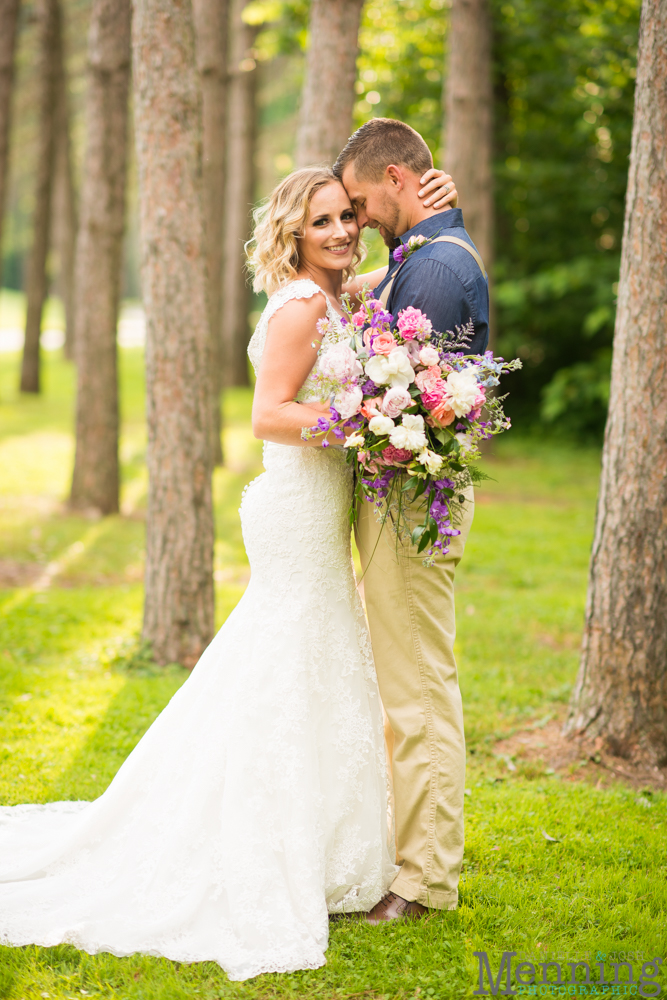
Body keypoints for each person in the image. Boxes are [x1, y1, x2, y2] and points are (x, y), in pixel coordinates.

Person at [0, 164, 457, 980]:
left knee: (307, 662)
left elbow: (389, 271)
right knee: (286, 661)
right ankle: (253, 843)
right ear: (291, 233)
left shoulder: (331, 294)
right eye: (320, 222)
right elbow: (266, 415)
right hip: (296, 508)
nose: (341, 231)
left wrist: (428, 217)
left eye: (347, 216)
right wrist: (366, 422)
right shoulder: (303, 305)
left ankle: (317, 842)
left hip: (314, 507)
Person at [333, 118, 490, 923]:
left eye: (359, 203)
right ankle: (409, 854)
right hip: (399, 498)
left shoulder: (433, 273)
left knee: (418, 689)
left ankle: (423, 880)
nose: (354, 222)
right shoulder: (420, 259)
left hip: (410, 504)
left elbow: (410, 397)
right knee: (407, 684)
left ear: (397, 178)